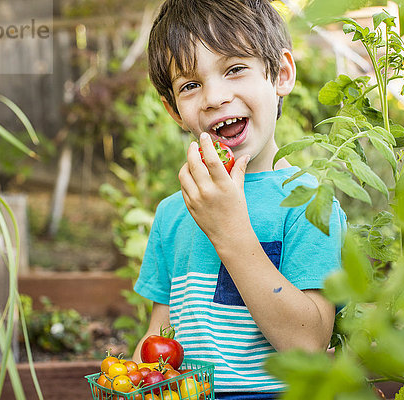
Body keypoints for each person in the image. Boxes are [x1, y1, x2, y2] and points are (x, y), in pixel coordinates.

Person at [132, 0, 347, 398]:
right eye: (190, 85)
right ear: (174, 110)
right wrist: (133, 383)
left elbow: (309, 344)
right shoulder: (172, 212)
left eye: (234, 69)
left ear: (280, 74)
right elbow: (159, 337)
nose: (214, 97)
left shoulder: (309, 203)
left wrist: (230, 231)